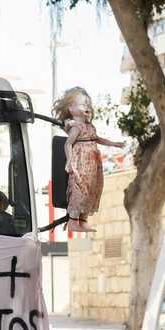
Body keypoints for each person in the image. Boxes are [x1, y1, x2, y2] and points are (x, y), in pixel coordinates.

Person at [54, 86, 125, 233]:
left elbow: (96, 138)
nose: (86, 107)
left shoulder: (89, 126)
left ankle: (83, 221)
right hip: (81, 161)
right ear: (71, 109)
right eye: (81, 105)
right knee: (80, 189)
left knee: (92, 189)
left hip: (92, 162)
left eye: (87, 105)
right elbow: (68, 143)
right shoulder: (76, 127)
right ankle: (74, 221)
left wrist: (114, 144)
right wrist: (69, 159)